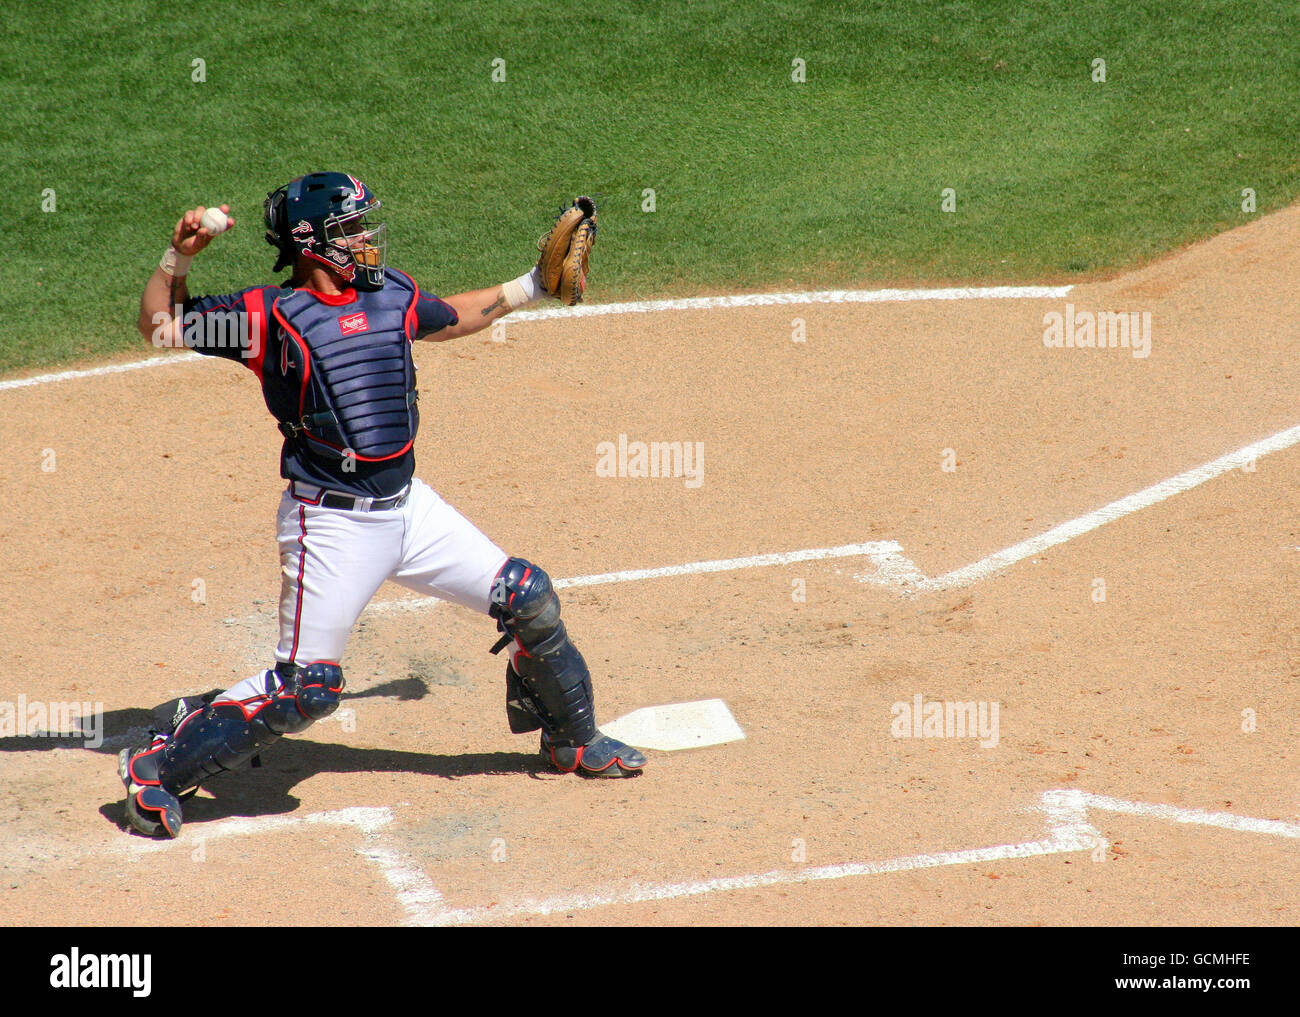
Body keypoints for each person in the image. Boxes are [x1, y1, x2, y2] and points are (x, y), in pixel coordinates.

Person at [119, 172, 645, 838]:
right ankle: (155, 766)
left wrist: (532, 286)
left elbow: (453, 316)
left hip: (408, 511)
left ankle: (573, 739)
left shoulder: (389, 292)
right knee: (304, 690)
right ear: (312, 242)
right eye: (351, 228)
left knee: (529, 596)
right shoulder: (265, 317)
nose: (367, 237)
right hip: (330, 525)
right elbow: (159, 325)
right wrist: (180, 257)